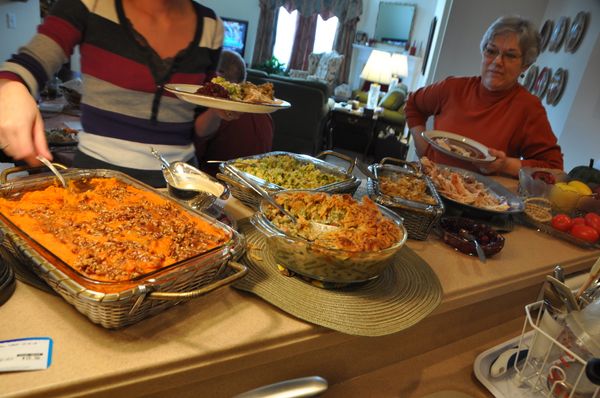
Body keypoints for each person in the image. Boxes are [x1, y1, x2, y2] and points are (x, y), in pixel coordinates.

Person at [0, 0, 238, 187]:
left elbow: (200, 128)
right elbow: (29, 63)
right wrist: (11, 86)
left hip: (180, 183)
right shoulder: (89, 4)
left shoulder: (210, 25)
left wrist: (218, 111)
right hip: (96, 178)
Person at [405, 15, 564, 177]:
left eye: (510, 55)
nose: (497, 61)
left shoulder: (528, 108)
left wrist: (505, 165)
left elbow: (553, 169)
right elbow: (413, 104)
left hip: (479, 198)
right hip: (429, 183)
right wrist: (423, 149)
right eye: (491, 51)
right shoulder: (452, 88)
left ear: (525, 65)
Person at [194, 50, 273, 176]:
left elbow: (192, 156)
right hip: (256, 182)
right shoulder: (265, 114)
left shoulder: (218, 113)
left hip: (217, 184)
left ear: (217, 75)